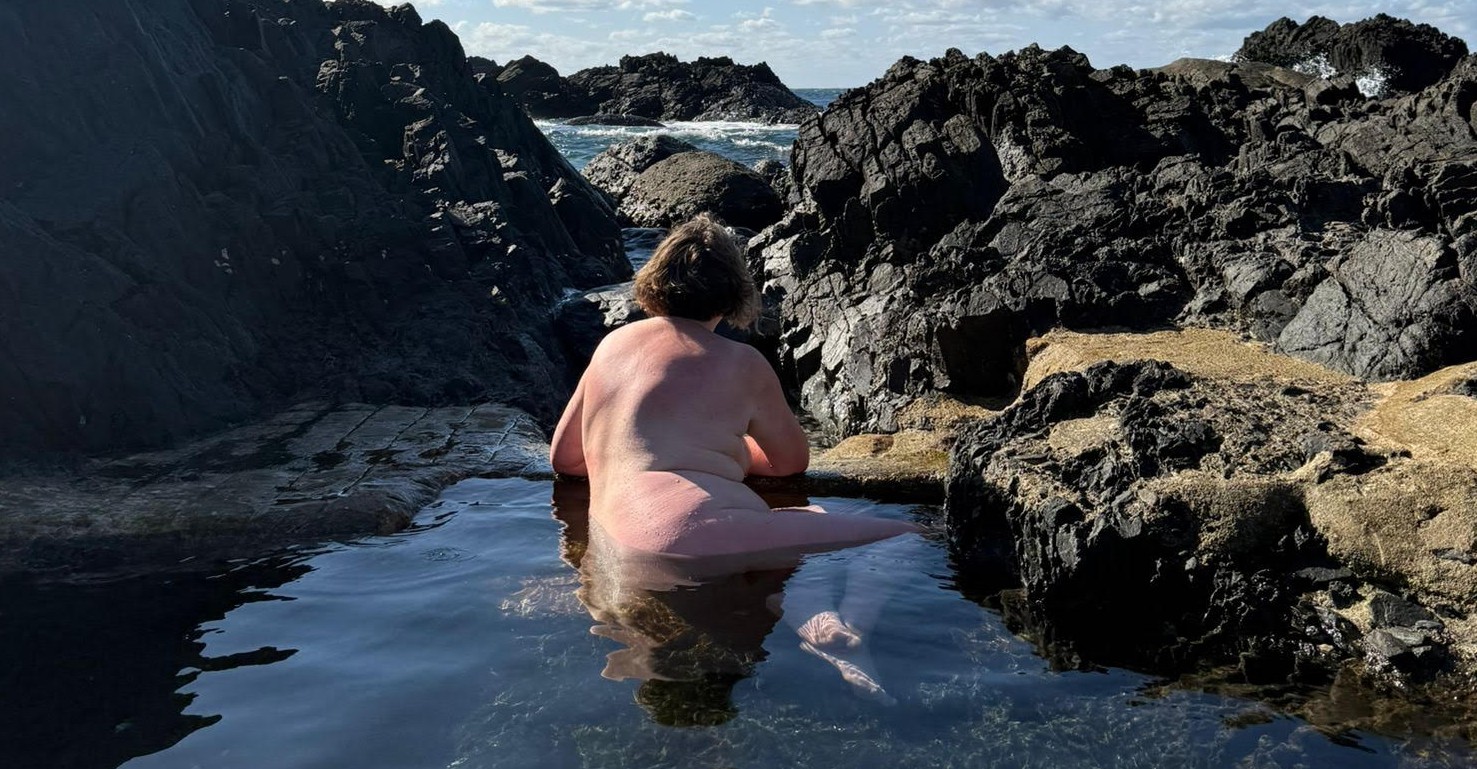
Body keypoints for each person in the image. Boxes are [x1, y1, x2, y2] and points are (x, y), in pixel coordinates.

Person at [550, 213, 918, 702]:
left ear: (653, 282)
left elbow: (565, 458)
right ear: (733, 296)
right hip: (705, 529)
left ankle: (815, 619)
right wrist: (732, 451)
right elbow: (789, 462)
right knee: (900, 535)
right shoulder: (743, 362)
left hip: (620, 545)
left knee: (779, 548)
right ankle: (848, 627)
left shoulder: (611, 345)